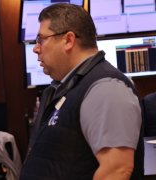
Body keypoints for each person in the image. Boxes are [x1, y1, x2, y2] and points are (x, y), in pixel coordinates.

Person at [20, 3, 143, 180]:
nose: (35, 48)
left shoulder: (106, 88)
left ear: (68, 40)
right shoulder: (63, 89)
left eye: (41, 40)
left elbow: (116, 170)